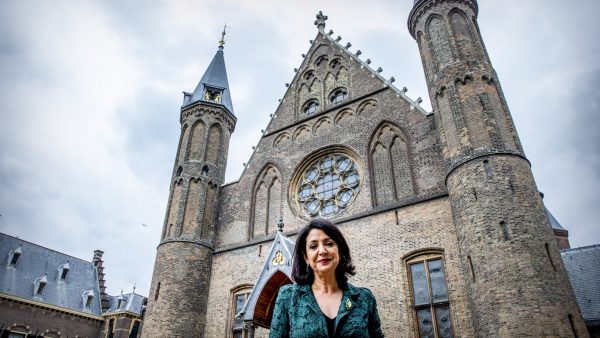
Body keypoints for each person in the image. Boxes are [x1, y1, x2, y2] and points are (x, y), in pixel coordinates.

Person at [269, 219, 385, 338]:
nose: (322, 251)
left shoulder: (365, 298)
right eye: (313, 246)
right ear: (306, 257)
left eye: (329, 244)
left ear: (339, 250)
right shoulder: (288, 296)